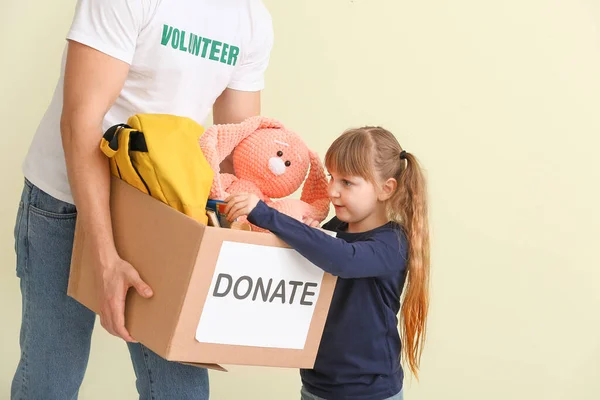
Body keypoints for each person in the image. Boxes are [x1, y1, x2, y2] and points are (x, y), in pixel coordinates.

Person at [12, 0, 273, 398]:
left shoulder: (250, 17)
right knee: (52, 379)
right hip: (67, 202)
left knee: (180, 390)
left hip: (163, 214)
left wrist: (269, 221)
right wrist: (105, 257)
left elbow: (238, 146)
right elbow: (80, 121)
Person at [225, 126, 430, 400]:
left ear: (386, 189)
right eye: (332, 177)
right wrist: (306, 230)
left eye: (347, 182)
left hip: (369, 393)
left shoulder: (392, 243)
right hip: (317, 386)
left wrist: (266, 215)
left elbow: (344, 258)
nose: (332, 191)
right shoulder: (335, 227)